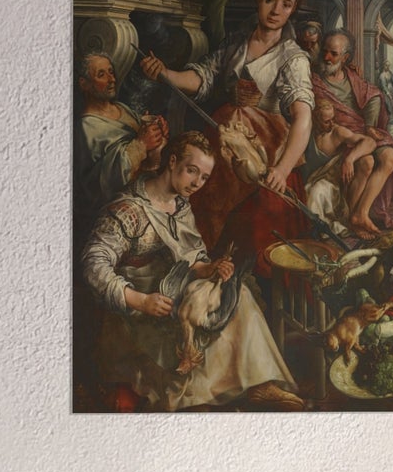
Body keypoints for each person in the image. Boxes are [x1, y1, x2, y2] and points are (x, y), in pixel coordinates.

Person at [81, 131, 303, 410]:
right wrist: (141, 300)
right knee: (192, 325)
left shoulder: (180, 205)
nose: (197, 182)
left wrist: (209, 267)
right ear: (172, 162)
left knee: (237, 294)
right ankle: (197, 399)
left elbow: (191, 256)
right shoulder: (129, 210)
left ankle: (259, 383)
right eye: (192, 171)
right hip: (138, 308)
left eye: (204, 177)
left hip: (174, 289)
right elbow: (93, 265)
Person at [140, 0, 313, 265]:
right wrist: (165, 74)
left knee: (255, 224)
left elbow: (303, 117)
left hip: (265, 151)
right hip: (222, 140)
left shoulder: (293, 58)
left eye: (286, 4)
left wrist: (282, 169)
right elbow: (204, 77)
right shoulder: (237, 43)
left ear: (293, 8)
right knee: (203, 202)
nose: (276, 10)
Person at [310, 30, 393, 234]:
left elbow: (373, 94)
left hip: (360, 131)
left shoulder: (352, 76)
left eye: (334, 54)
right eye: (325, 52)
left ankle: (361, 213)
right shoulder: (315, 81)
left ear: (345, 58)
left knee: (391, 156)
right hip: (337, 137)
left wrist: (369, 125)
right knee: (366, 162)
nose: (327, 57)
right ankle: (352, 217)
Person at [75, 52, 168, 216]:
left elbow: (147, 152)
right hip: (121, 210)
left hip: (149, 193)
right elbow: (96, 186)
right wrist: (141, 144)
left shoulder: (122, 108)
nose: (111, 79)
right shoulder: (86, 127)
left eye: (111, 72)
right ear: (84, 84)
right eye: (101, 74)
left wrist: (158, 133)